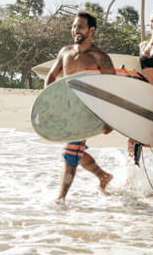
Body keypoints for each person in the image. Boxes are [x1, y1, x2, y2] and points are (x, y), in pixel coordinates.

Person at [45, 10, 116, 202]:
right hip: (68, 109)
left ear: (91, 30)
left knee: (70, 152)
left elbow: (113, 89)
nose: (76, 30)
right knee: (74, 150)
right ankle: (103, 176)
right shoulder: (65, 52)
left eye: (80, 27)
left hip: (87, 110)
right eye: (74, 26)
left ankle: (61, 199)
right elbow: (51, 77)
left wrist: (109, 118)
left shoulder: (100, 57)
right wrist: (50, 102)